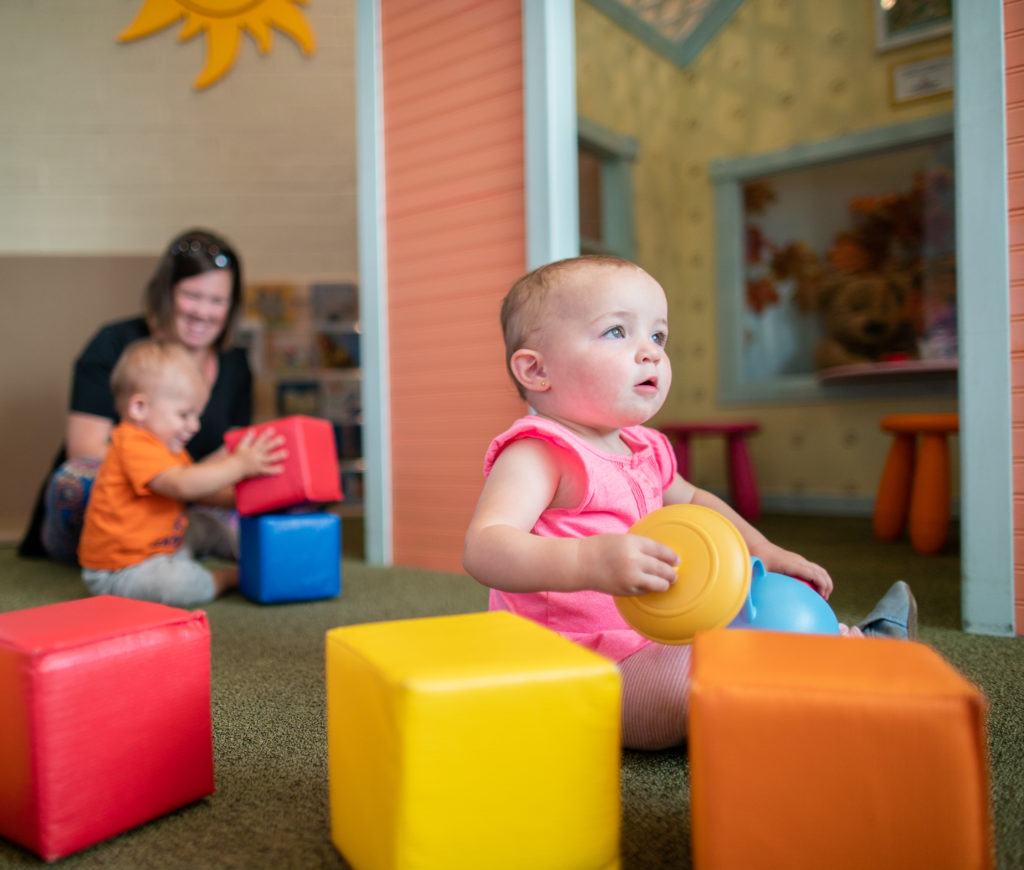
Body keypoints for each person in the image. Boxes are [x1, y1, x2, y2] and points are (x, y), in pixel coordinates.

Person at [463, 254, 918, 751]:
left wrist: (766, 550)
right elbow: (485, 548)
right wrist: (588, 560)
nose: (650, 354)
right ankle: (822, 680)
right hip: (577, 670)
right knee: (708, 663)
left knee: (755, 607)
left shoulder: (644, 446)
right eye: (617, 332)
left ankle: (850, 656)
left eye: (658, 337)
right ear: (536, 369)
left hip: (653, 637)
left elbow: (698, 502)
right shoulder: (539, 452)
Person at [19, 228, 253, 563]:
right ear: (166, 293)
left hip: (186, 496)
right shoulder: (114, 343)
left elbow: (224, 450)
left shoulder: (236, 364)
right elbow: (85, 448)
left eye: (217, 301)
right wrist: (173, 480)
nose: (203, 312)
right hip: (120, 492)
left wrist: (203, 482)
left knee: (258, 489)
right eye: (192, 295)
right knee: (78, 477)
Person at [78, 339, 285, 606]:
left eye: (196, 416)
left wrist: (245, 496)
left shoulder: (169, 448)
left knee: (206, 524)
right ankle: (227, 578)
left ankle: (251, 551)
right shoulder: (132, 443)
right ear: (139, 408)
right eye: (185, 415)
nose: (195, 426)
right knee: (183, 585)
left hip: (163, 543)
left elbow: (200, 489)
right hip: (123, 570)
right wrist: (239, 466)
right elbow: (183, 486)